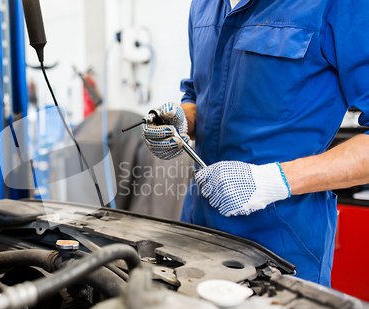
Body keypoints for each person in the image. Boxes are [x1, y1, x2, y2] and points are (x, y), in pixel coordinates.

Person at [140, 0, 369, 287]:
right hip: (196, 233)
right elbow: (200, 94)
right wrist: (181, 122)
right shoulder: (203, 6)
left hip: (282, 245)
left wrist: (270, 181)